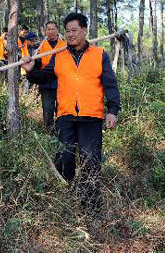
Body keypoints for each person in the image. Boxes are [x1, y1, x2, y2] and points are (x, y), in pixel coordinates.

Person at [21, 12, 120, 210]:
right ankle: (66, 200)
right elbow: (45, 76)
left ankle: (91, 206)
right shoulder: (59, 56)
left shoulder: (99, 54)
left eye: (74, 30)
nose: (70, 34)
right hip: (65, 116)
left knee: (91, 162)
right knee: (64, 158)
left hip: (91, 117)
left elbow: (110, 84)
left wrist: (112, 110)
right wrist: (31, 70)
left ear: (84, 30)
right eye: (67, 31)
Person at [36, 21, 67, 132]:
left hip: (61, 82)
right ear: (46, 31)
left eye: (53, 29)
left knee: (62, 109)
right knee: (48, 109)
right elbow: (37, 65)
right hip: (46, 83)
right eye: (48, 29)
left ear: (57, 30)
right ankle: (48, 132)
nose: (51, 31)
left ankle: (62, 132)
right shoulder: (41, 47)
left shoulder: (64, 44)